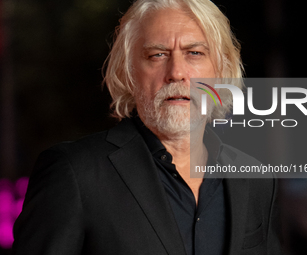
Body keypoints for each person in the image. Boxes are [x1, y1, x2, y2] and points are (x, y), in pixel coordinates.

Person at [13, 0, 283, 254]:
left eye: (194, 53)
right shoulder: (75, 173)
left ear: (221, 70)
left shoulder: (255, 179)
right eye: (157, 54)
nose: (176, 72)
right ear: (128, 71)